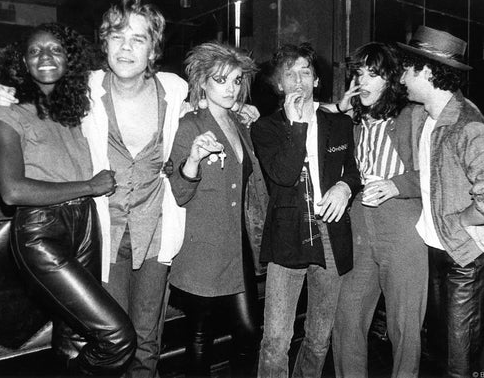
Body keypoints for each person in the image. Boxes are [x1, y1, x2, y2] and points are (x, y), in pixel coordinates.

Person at [0, 0, 261, 378]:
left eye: (138, 38)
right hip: (104, 236)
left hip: (156, 234)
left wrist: (240, 109)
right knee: (113, 340)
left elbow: (212, 102)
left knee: (148, 340)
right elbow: (36, 107)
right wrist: (2, 96)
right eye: (117, 37)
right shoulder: (85, 89)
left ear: (153, 49)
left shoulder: (174, 90)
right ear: (105, 44)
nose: (126, 47)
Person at [0, 23, 136, 375]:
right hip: (41, 231)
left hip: (85, 224)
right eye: (35, 51)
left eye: (55, 49)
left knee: (75, 340)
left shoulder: (76, 111)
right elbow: (13, 190)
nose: (45, 57)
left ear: (70, 58)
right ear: (22, 63)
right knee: (117, 337)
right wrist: (89, 186)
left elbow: (134, 79)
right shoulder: (8, 113)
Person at [398, 25, 484, 377]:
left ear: (428, 72)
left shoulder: (468, 125)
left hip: (465, 263)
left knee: (463, 363)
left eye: (408, 69)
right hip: (437, 252)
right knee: (442, 353)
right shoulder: (425, 117)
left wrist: (468, 219)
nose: (401, 77)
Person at [251, 42, 360, 378]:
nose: (298, 79)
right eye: (290, 73)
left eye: (306, 72)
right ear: (279, 84)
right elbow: (283, 174)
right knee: (276, 339)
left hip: (331, 234)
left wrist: (345, 186)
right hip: (287, 239)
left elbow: (354, 170)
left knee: (318, 338)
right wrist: (298, 124)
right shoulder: (265, 128)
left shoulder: (339, 124)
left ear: (316, 81)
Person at [326, 42, 427, 378]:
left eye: (374, 74)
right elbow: (311, 120)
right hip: (358, 223)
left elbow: (437, 171)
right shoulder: (354, 117)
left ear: (391, 80)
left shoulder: (413, 116)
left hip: (402, 223)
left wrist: (398, 184)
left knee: (404, 324)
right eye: (359, 73)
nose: (364, 81)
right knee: (347, 317)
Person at [167, 41, 268, 377]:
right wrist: (193, 159)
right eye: (221, 80)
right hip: (201, 248)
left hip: (237, 249)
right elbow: (180, 193)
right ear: (204, 83)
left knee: (249, 331)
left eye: (237, 80)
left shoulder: (241, 124)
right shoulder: (189, 126)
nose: (231, 88)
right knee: (200, 337)